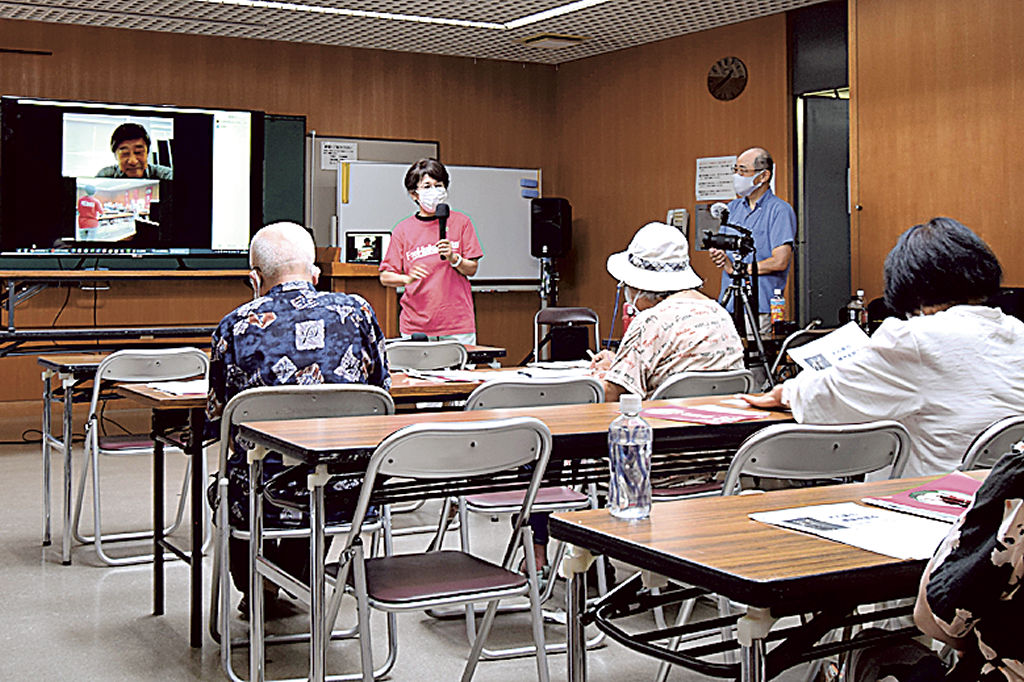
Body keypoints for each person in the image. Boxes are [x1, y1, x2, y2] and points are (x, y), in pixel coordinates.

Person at [744, 217, 1024, 478]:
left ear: (911, 286)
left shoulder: (916, 338)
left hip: (931, 502)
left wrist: (788, 392)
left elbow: (830, 398)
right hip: (1006, 507)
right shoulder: (1016, 330)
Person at [206, 221, 390, 615]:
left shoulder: (235, 326)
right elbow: (381, 394)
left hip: (263, 491)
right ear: (316, 274)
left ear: (254, 279)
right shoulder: (358, 312)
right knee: (317, 473)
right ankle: (295, 570)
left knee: (236, 481)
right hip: (350, 488)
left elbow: (220, 416)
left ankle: (261, 587)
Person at [590, 221, 745, 402]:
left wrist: (596, 378)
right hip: (726, 422)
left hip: (666, 424)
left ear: (639, 287)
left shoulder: (650, 321)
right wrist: (619, 364)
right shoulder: (719, 313)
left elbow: (613, 394)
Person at [379, 158, 483, 343]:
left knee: (460, 372)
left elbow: (472, 269)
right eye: (427, 186)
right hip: (417, 325)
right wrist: (406, 278)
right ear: (414, 194)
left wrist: (454, 258)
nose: (434, 191)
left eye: (439, 185)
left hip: (456, 324)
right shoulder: (403, 230)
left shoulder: (461, 223)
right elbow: (385, 276)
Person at [708, 147, 796, 335]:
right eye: (736, 170)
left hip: (759, 305)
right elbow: (725, 251)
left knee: (755, 360)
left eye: (743, 171)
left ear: (763, 176)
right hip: (729, 303)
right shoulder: (732, 208)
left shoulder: (779, 210)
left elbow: (780, 261)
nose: (737, 176)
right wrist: (720, 256)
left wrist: (739, 269)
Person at [96, 122, 173, 180]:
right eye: (125, 154)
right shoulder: (105, 177)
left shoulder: (166, 176)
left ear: (147, 153)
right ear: (115, 156)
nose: (133, 161)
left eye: (138, 152)